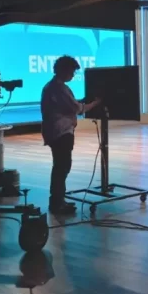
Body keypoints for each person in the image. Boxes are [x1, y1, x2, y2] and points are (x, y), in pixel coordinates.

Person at [40, 55, 101, 214]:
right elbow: (77, 109)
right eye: (72, 71)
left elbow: (69, 105)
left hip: (55, 131)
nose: (73, 75)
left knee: (60, 167)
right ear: (64, 70)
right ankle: (57, 203)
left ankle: (59, 200)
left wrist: (82, 101)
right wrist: (95, 103)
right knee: (62, 167)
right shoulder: (60, 88)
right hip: (62, 132)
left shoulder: (51, 87)